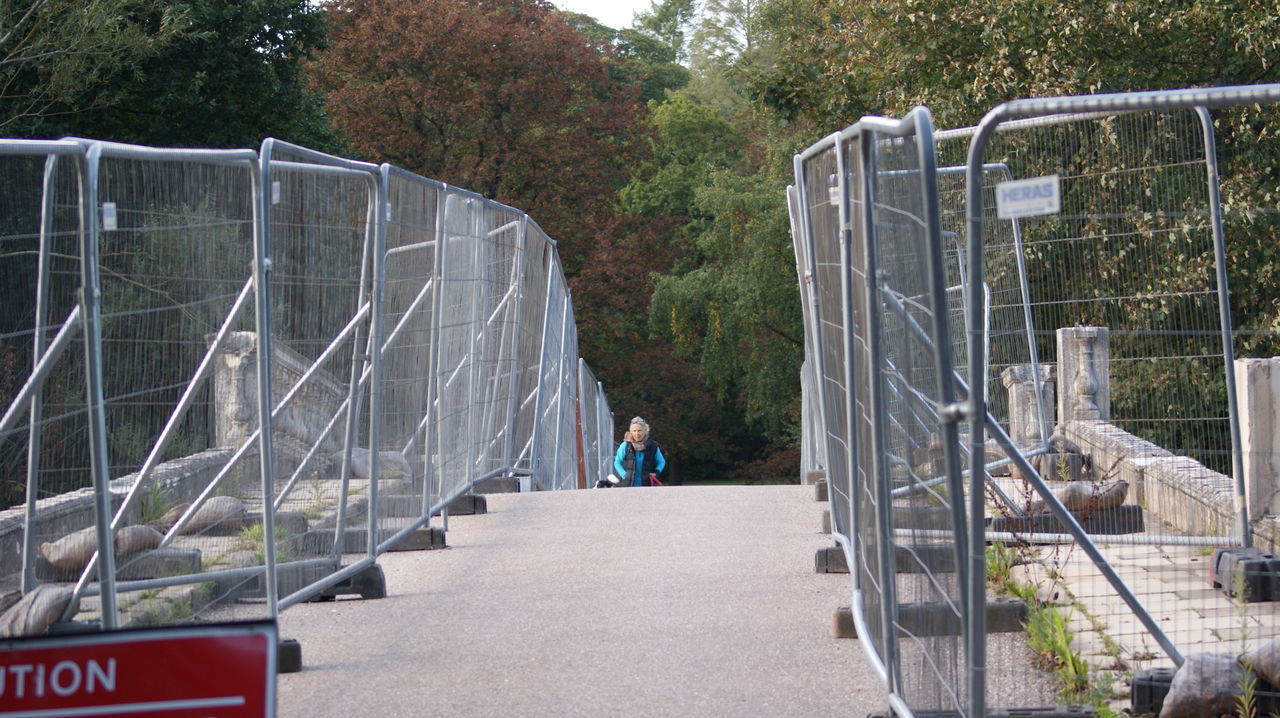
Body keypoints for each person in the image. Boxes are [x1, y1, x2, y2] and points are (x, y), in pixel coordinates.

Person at [613, 417, 666, 487]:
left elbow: (661, 462)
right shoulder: (625, 445)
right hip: (628, 485)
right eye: (634, 431)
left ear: (645, 431)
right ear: (630, 431)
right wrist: (624, 474)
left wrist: (656, 473)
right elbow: (617, 462)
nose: (637, 433)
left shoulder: (653, 445)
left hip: (647, 485)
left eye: (639, 430)